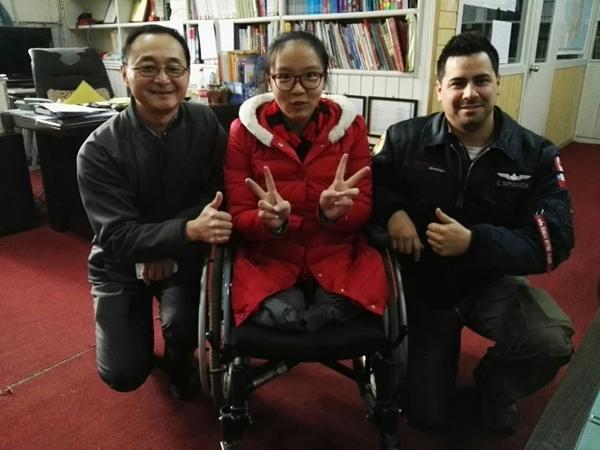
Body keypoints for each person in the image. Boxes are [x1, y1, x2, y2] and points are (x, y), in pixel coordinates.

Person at [372, 32, 575, 436]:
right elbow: (370, 186)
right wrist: (392, 212)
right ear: (439, 89)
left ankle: (494, 388)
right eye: (457, 83)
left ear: (498, 82)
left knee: (550, 340)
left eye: (481, 80)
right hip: (423, 287)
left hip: (488, 282)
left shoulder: (536, 154)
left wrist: (475, 242)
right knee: (426, 416)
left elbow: (555, 239)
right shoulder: (402, 138)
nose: (470, 93)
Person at [77, 24, 231, 400]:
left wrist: (170, 243)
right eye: (147, 67)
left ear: (187, 75)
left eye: (174, 68)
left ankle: (180, 356)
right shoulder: (98, 150)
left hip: (184, 255)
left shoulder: (205, 123)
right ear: (124, 74)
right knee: (124, 373)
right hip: (120, 263)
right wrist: (182, 231)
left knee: (183, 325)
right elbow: (117, 236)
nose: (162, 79)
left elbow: (219, 193)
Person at [224, 30, 388, 331]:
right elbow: (238, 216)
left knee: (354, 299)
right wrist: (267, 222)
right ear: (269, 80)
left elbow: (363, 206)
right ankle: (306, 322)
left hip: (336, 256)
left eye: (311, 76)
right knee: (277, 310)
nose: (298, 89)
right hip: (270, 260)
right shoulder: (244, 132)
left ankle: (304, 322)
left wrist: (333, 214)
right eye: (285, 77)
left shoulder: (351, 128)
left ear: (324, 79)